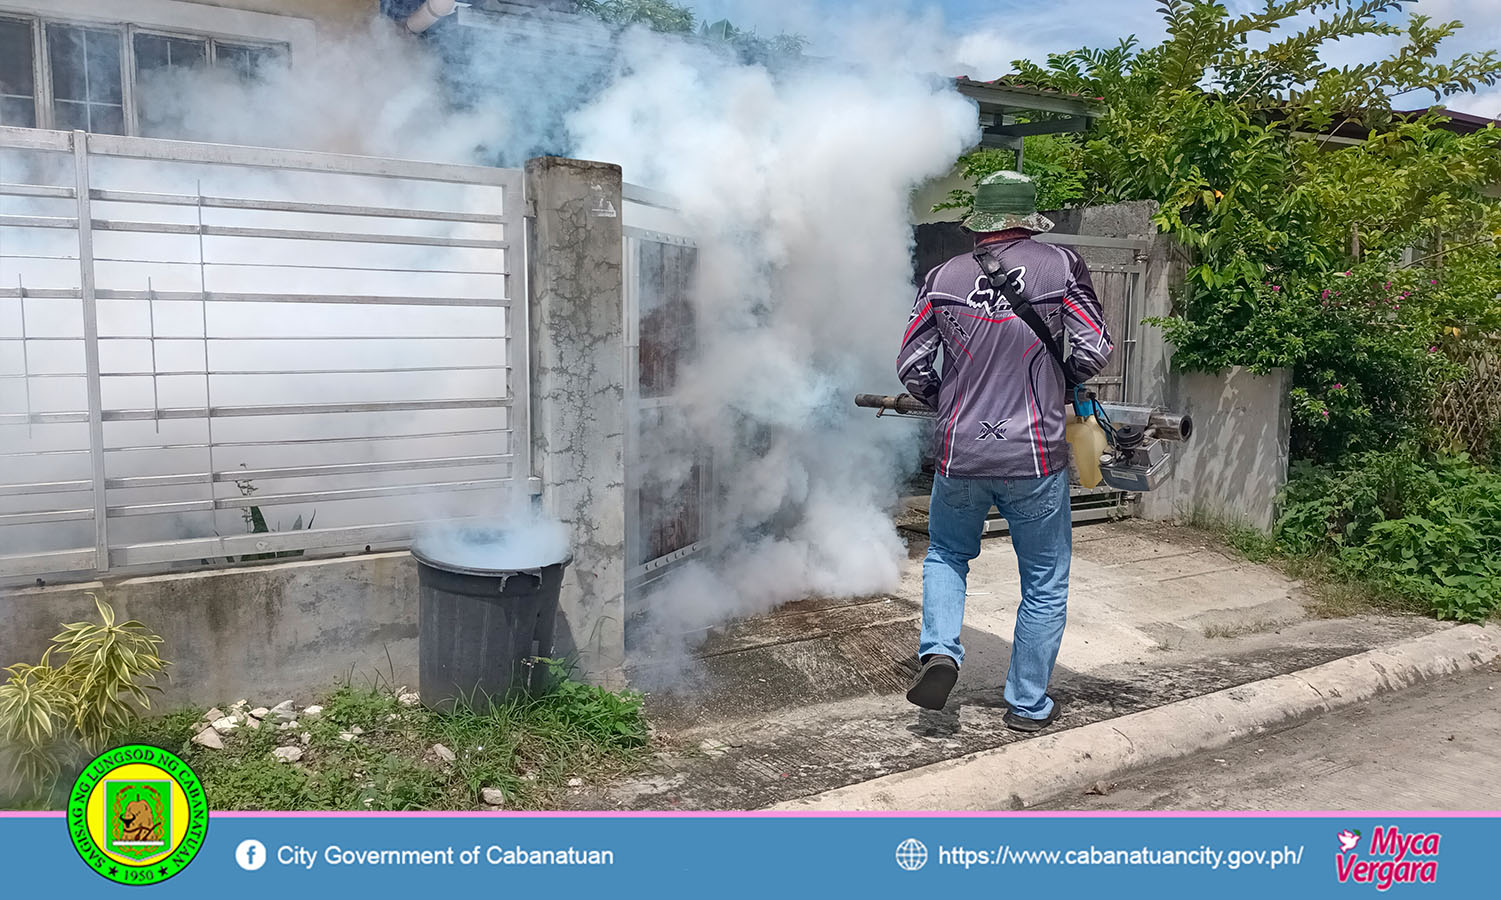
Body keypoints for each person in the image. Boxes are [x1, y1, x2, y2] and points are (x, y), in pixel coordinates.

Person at [897, 170, 1113, 730]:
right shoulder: (1060, 266)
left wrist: (948, 402)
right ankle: (1026, 703)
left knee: (947, 555)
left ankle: (941, 651)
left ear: (981, 225)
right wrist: (1057, 384)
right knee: (1043, 579)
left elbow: (912, 365)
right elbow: (1094, 349)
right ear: (1028, 218)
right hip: (1035, 456)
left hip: (960, 453)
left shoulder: (943, 276)